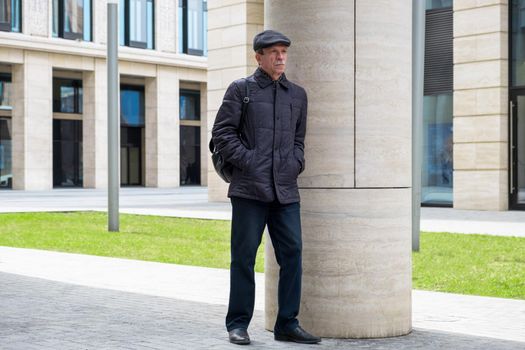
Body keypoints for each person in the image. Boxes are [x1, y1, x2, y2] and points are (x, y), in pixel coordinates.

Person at [212, 30, 321, 345]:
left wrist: (295, 163)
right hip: (249, 189)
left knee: (293, 253)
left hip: (285, 190)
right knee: (244, 257)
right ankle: (237, 324)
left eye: (283, 52)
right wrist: (249, 162)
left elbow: (299, 140)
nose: (280, 57)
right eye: (273, 52)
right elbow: (222, 132)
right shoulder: (240, 90)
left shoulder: (297, 95)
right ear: (258, 56)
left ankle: (287, 323)